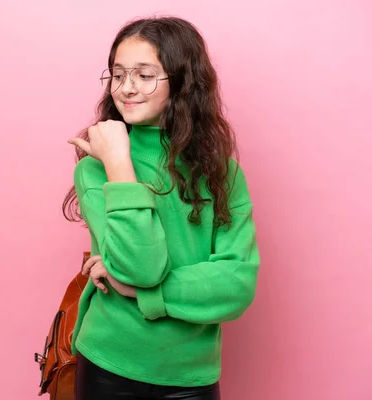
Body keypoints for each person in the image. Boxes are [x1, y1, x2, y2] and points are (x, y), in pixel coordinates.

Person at [63, 16, 260, 400]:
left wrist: (142, 293)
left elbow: (237, 285)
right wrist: (119, 163)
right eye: (118, 75)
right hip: (108, 366)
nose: (127, 88)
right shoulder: (95, 167)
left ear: (182, 82)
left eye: (144, 75)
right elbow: (142, 266)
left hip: (192, 375)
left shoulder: (223, 173)